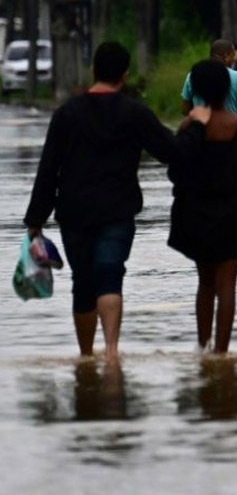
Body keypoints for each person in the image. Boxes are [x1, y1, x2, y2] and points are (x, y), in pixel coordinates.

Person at [23, 42, 210, 360]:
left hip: (74, 213)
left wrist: (35, 220)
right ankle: (111, 352)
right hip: (117, 211)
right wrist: (196, 125)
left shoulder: (66, 114)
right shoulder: (134, 112)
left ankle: (86, 357)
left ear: (94, 69)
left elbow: (48, 169)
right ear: (124, 76)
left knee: (83, 282)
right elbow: (173, 152)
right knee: (109, 273)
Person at [168, 60, 237, 354]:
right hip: (235, 216)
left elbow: (176, 170)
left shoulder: (189, 126)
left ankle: (202, 347)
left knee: (205, 283)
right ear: (227, 88)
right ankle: (221, 353)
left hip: (197, 216)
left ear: (195, 89)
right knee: (227, 285)